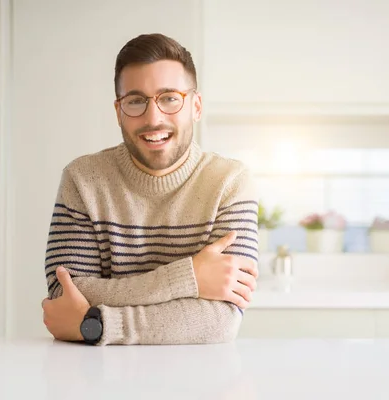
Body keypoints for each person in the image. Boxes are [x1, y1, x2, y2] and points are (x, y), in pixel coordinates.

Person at [41, 33, 259, 346]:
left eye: (170, 98)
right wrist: (190, 278)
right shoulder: (82, 179)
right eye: (135, 101)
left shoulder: (230, 181)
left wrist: (97, 324)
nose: (153, 118)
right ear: (118, 111)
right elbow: (68, 295)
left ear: (195, 106)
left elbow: (220, 322)